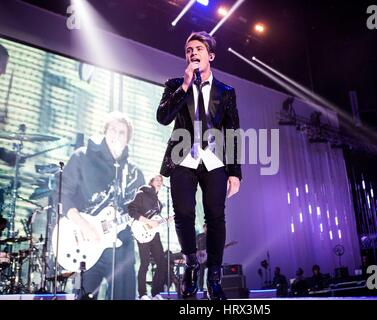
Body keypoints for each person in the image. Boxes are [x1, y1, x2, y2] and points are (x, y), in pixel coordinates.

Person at [156, 31, 242, 300]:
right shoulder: (174, 85)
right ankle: (192, 264)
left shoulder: (226, 92)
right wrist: (185, 85)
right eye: (188, 50)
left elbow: (232, 131)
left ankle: (214, 276)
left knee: (215, 217)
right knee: (183, 213)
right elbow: (163, 117)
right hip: (183, 156)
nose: (192, 53)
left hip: (215, 160)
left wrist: (235, 172)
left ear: (210, 55)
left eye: (198, 49)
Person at [59, 111, 145, 300]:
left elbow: (139, 211)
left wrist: (147, 222)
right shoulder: (82, 157)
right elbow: (63, 195)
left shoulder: (134, 173)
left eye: (121, 132)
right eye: (112, 130)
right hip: (87, 245)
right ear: (104, 132)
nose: (116, 135)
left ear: (128, 139)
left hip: (122, 248)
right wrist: (85, 225)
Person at [128, 175, 168, 300]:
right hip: (142, 232)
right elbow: (131, 210)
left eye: (161, 180)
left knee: (162, 263)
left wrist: (165, 220)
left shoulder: (159, 203)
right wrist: (148, 222)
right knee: (144, 263)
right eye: (157, 179)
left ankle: (156, 292)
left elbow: (156, 221)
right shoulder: (142, 194)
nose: (159, 182)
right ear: (151, 182)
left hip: (154, 235)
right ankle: (142, 294)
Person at [195, 224, 207, 292]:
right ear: (204, 227)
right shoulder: (199, 236)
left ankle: (210, 287)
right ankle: (200, 288)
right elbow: (195, 245)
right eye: (206, 227)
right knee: (201, 272)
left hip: (208, 256)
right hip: (201, 257)